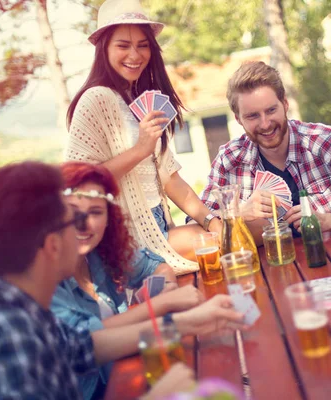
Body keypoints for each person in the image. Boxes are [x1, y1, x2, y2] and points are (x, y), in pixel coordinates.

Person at [0, 161, 246, 400]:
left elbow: (85, 346)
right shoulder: (10, 334)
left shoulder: (10, 303)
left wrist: (190, 320)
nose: (83, 229)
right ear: (54, 245)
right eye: (74, 221)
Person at [65, 0, 220, 275]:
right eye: (123, 45)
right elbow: (80, 183)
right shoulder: (96, 99)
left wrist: (210, 220)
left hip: (158, 224)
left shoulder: (138, 101)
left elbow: (170, 179)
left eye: (143, 44)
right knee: (229, 245)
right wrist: (140, 148)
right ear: (104, 49)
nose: (135, 55)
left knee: (232, 233)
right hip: (126, 239)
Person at [52, 161, 205, 400]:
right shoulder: (41, 276)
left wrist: (164, 288)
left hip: (128, 375)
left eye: (96, 211)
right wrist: (161, 306)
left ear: (108, 217)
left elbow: (155, 265)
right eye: (73, 212)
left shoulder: (101, 251)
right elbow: (84, 341)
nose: (85, 224)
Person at [199, 61, 331, 243]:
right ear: (239, 119)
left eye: (271, 110)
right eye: (252, 116)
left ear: (285, 104)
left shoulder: (327, 142)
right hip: (270, 267)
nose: (265, 124)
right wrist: (236, 213)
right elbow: (199, 224)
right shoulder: (229, 160)